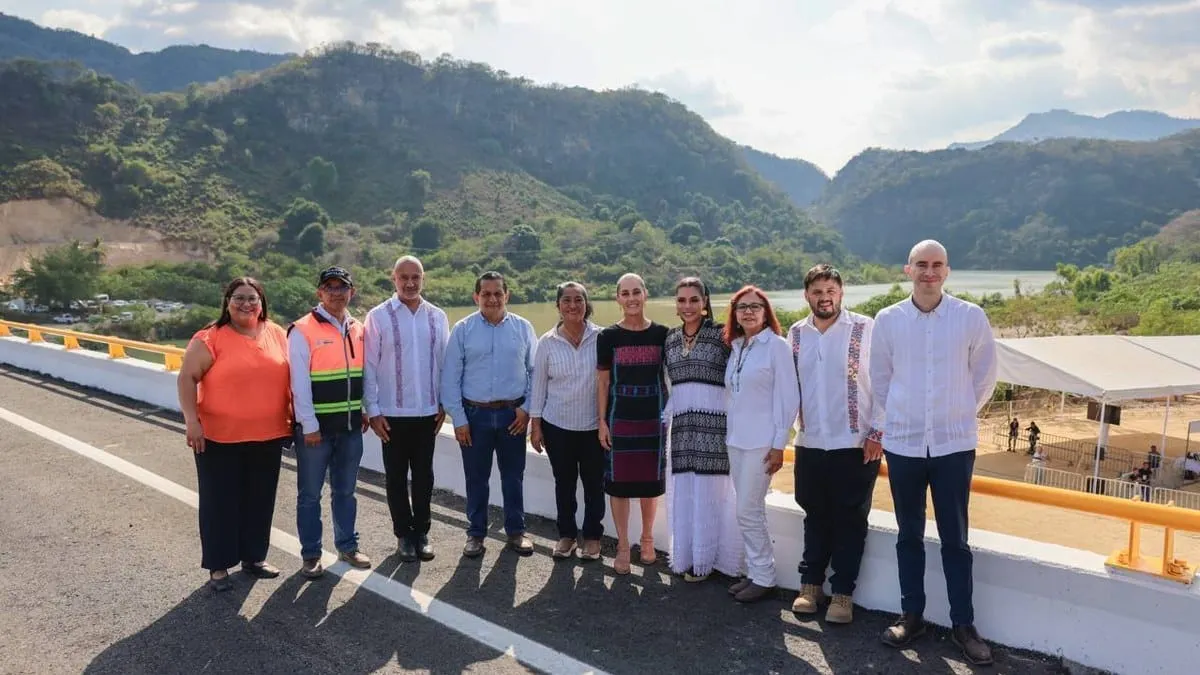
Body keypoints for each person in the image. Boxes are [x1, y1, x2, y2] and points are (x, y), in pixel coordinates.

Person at [868, 239, 997, 665]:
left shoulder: (969, 317)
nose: (929, 271)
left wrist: (955, 414)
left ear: (947, 270)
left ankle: (963, 624)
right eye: (921, 264)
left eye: (936, 264)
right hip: (903, 443)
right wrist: (903, 416)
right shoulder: (888, 320)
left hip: (953, 444)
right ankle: (912, 615)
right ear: (908, 270)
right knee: (908, 535)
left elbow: (984, 378)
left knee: (955, 539)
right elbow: (879, 378)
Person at [177, 277, 292, 591]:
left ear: (262, 302)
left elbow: (291, 377)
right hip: (218, 437)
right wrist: (192, 421)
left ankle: (254, 558)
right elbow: (187, 378)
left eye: (252, 298)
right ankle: (218, 566)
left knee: (259, 500)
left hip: (268, 435)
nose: (246, 304)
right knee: (220, 502)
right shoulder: (210, 337)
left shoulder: (277, 333)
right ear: (227, 302)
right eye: (239, 298)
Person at [788, 264, 881, 623]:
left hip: (855, 443)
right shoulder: (796, 334)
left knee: (851, 518)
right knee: (814, 513)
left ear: (841, 293)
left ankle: (843, 594)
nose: (824, 297)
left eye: (830, 290)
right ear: (806, 295)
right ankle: (810, 586)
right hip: (810, 442)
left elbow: (886, 382)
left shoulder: (866, 328)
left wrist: (878, 432)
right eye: (816, 291)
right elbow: (788, 390)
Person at [441, 271, 538, 558]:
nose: (492, 299)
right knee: (476, 478)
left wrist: (526, 409)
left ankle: (516, 532)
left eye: (498, 293)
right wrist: (458, 419)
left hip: (513, 416)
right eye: (486, 294)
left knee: (513, 476)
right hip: (475, 416)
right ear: (476, 297)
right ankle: (476, 534)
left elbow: (535, 373)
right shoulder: (462, 329)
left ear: (507, 295)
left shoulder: (523, 328)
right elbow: (450, 379)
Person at [363, 256, 450, 562]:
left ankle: (422, 532)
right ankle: (403, 535)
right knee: (396, 477)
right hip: (391, 415)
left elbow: (445, 365)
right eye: (404, 277)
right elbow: (369, 366)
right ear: (394, 278)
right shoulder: (378, 316)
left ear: (423, 278)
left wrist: (444, 403)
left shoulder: (437, 316)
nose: (410, 283)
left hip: (427, 413)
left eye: (416, 277)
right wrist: (372, 409)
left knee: (424, 476)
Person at [289, 266, 372, 577]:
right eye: (330, 287)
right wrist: (308, 425)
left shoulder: (357, 328)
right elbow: (299, 382)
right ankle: (310, 554)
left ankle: (348, 546)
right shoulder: (302, 329)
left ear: (352, 291)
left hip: (350, 428)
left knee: (346, 491)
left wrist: (363, 408)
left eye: (343, 287)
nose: (337, 292)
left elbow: (362, 374)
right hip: (317, 432)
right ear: (319, 292)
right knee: (310, 494)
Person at [723, 285, 799, 603]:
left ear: (766, 312)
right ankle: (756, 573)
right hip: (736, 441)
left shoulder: (776, 347)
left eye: (755, 306)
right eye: (742, 307)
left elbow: (789, 397)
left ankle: (764, 577)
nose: (749, 312)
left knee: (747, 511)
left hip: (761, 443)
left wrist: (779, 443)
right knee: (749, 510)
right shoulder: (737, 346)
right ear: (735, 315)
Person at [663, 277, 741, 582]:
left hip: (715, 429)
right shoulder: (669, 339)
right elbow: (668, 386)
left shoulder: (723, 335)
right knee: (685, 492)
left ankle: (709, 561)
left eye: (694, 299)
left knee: (712, 492)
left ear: (705, 301)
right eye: (681, 300)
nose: (687, 306)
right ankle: (687, 557)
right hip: (682, 429)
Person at [596, 273, 670, 575]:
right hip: (619, 417)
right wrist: (601, 421)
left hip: (653, 417)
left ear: (645, 294)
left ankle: (648, 539)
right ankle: (624, 545)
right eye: (625, 293)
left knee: (649, 485)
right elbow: (602, 382)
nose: (631, 298)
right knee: (619, 485)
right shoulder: (608, 336)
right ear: (617, 298)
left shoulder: (663, 334)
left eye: (636, 292)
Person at [529, 282, 605, 561]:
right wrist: (535, 426)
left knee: (595, 484)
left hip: (594, 427)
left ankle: (593, 537)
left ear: (587, 304)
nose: (572, 305)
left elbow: (609, 382)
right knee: (564, 483)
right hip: (557, 425)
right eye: (566, 300)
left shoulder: (601, 338)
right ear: (558, 305)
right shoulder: (547, 342)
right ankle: (567, 535)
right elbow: (538, 387)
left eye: (578, 300)